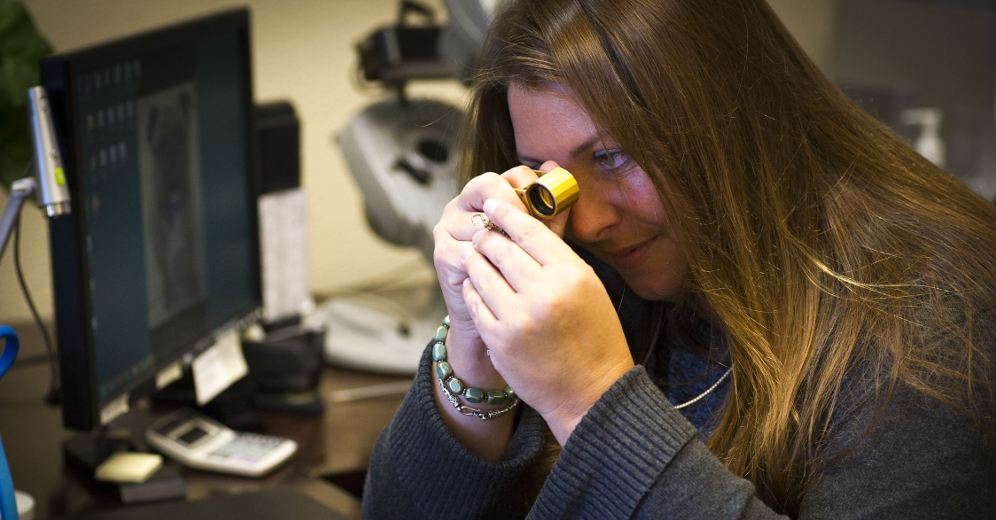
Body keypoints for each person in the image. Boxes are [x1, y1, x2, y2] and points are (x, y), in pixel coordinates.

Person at [363, 0, 996, 517]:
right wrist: (472, 356)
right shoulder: (593, 267)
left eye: (613, 156)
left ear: (733, 115)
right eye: (545, 172)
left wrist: (590, 400)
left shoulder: (931, 316)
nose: (589, 221)